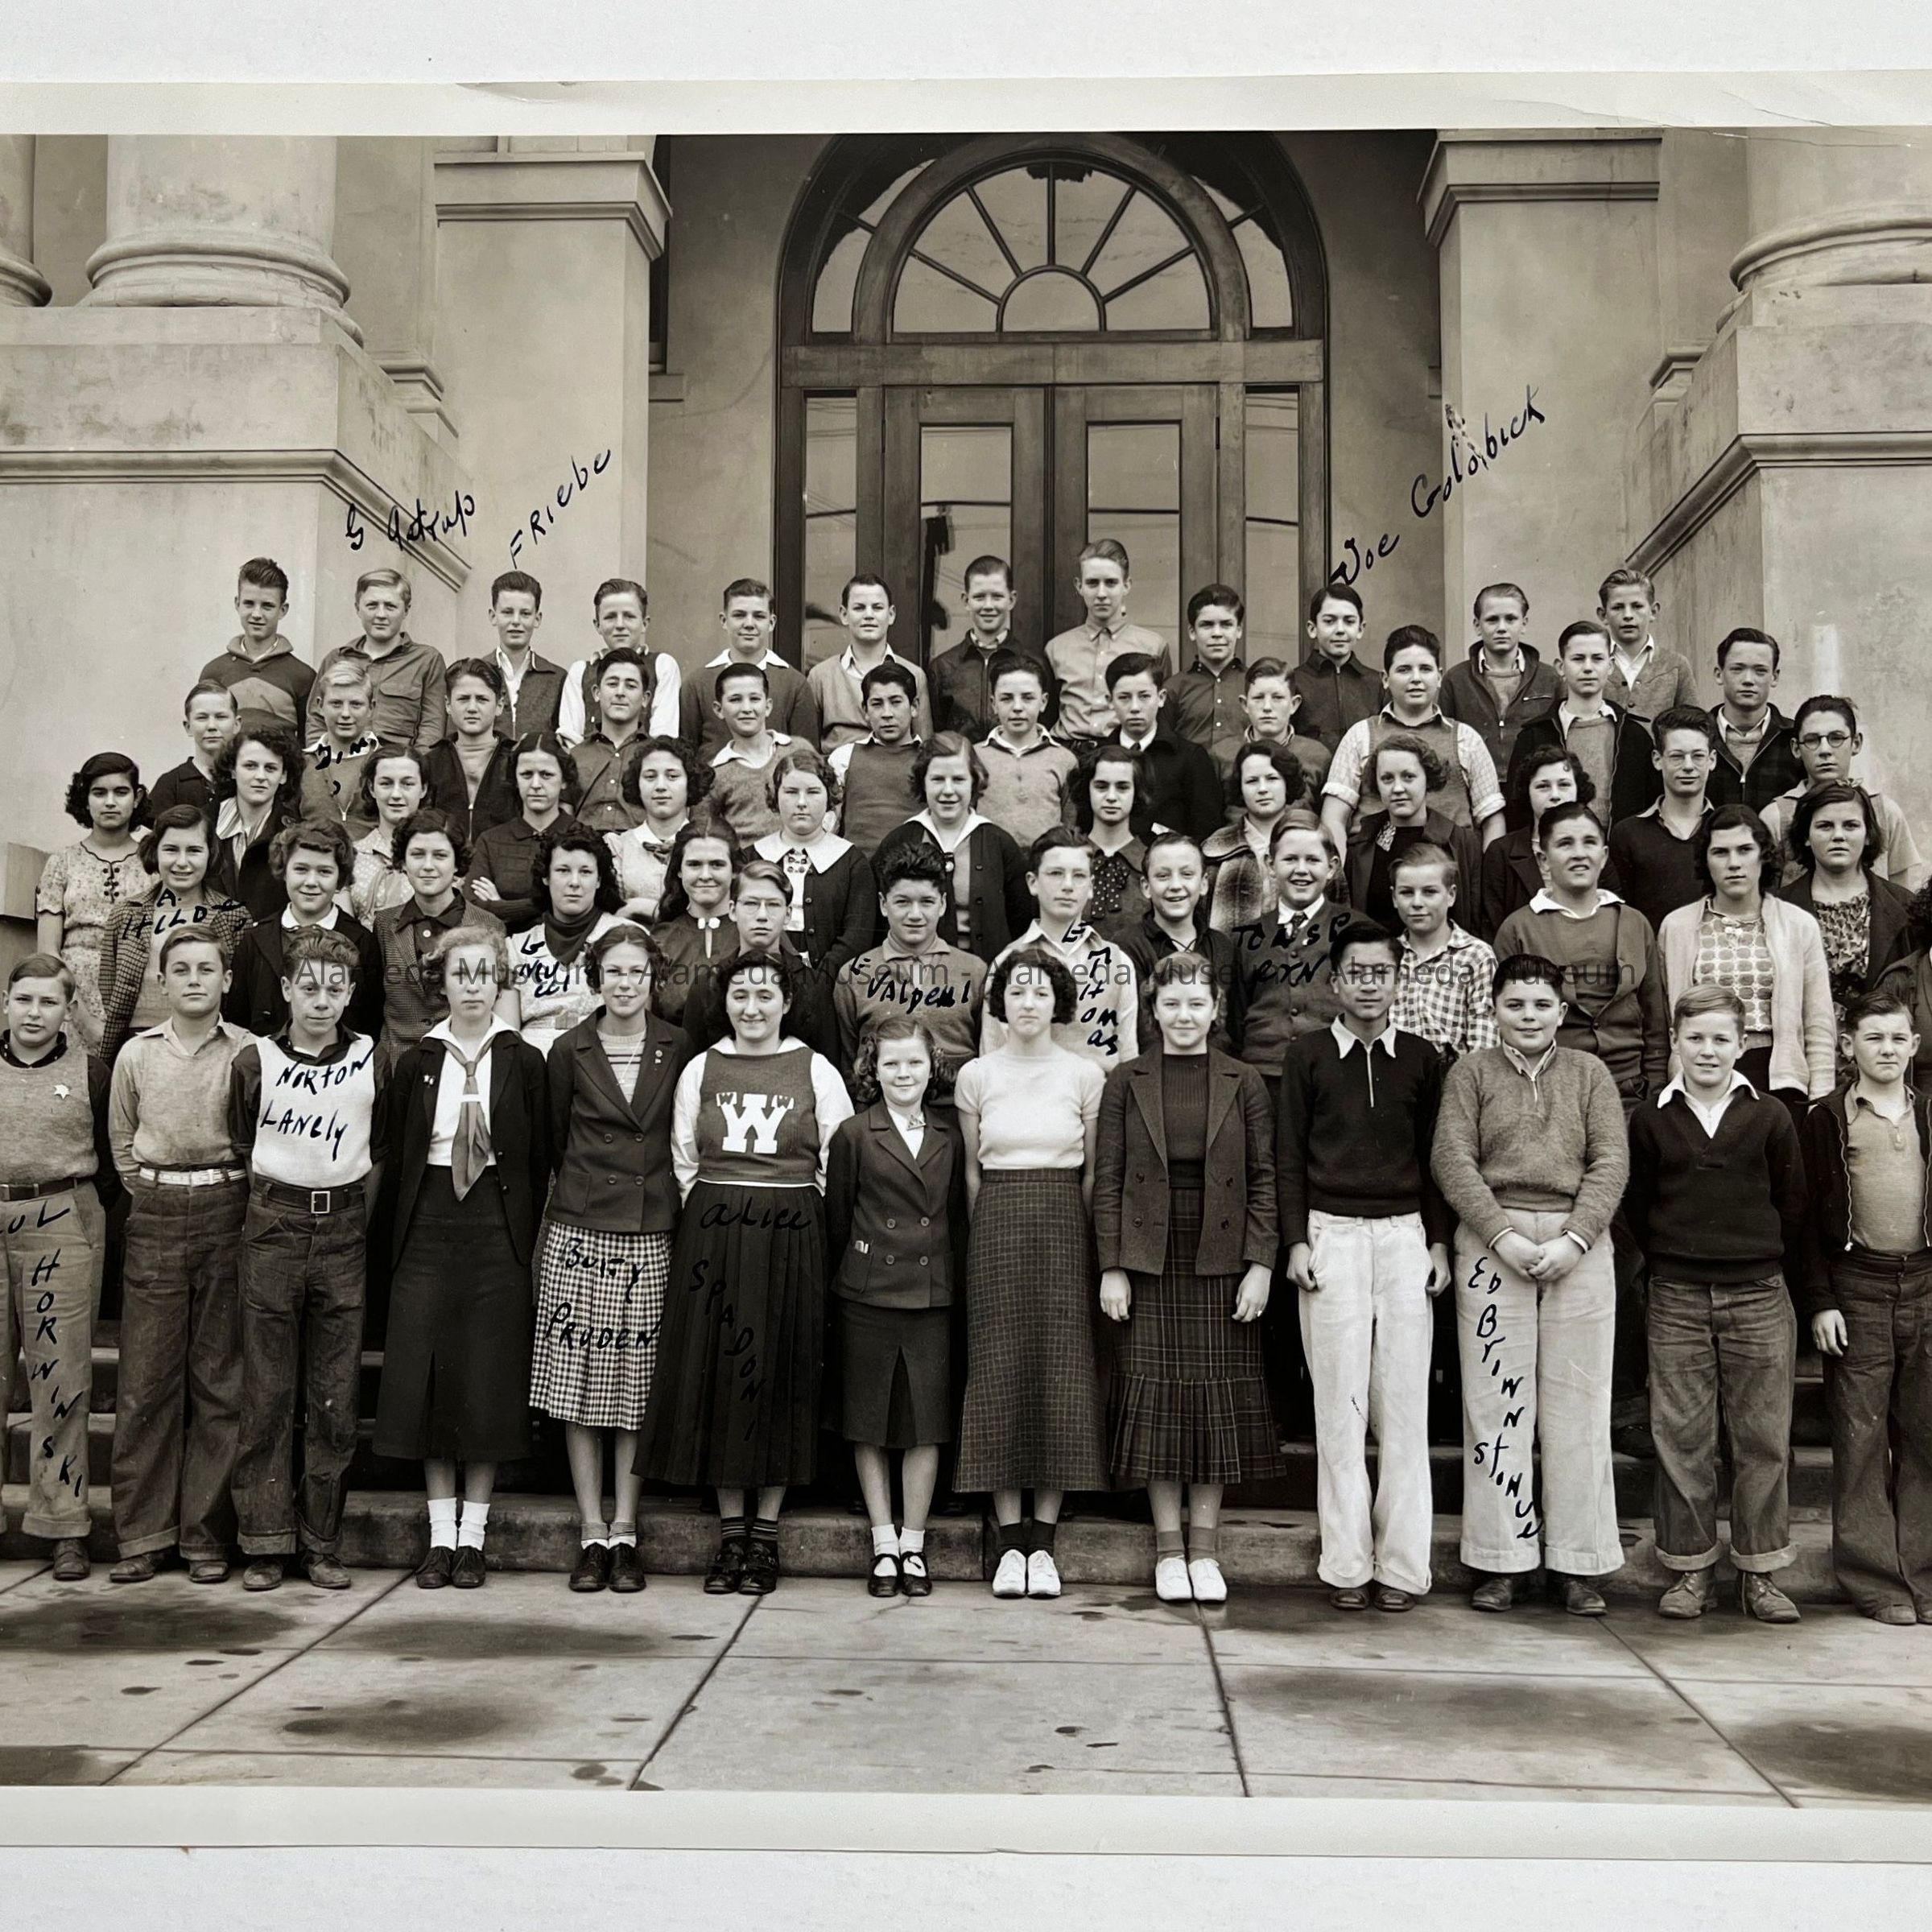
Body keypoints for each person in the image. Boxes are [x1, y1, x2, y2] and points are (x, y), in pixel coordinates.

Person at [638, 949, 854, 1596]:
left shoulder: (815, 1069)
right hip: (716, 1230)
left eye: (765, 995)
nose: (752, 1007)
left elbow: (838, 1159)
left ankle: (765, 1537)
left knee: (781, 1371)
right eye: (740, 995)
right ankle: (731, 1535)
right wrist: (716, 1215)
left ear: (786, 1003)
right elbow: (684, 1156)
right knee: (724, 1373)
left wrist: (801, 1220)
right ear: (725, 1003)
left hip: (791, 1231)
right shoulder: (701, 1067)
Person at [1431, 952, 1631, 1614]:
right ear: (1494, 1010)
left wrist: (1576, 1238)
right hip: (1496, 1243)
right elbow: (1452, 1159)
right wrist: (1501, 1235)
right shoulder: (1471, 1073)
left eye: (1542, 1005)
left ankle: (1577, 1564)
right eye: (1515, 1004)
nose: (1529, 1016)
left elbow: (1610, 1160)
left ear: (1562, 1012)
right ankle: (1501, 1560)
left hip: (1578, 1244)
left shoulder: (1589, 1073)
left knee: (1579, 1406)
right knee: (1497, 1404)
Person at [1097, 952, 1282, 1604]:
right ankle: (1168, 1550)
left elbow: (1264, 1178)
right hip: (1150, 1253)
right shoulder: (1126, 1080)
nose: (1184, 1015)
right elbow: (1108, 1179)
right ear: (1153, 1009)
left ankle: (1205, 1549)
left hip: (1220, 1253)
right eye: (1171, 1003)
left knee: (1213, 1402)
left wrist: (1261, 1264)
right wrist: (1112, 1266)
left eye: (1196, 1003)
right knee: (1158, 1401)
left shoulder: (1244, 1080)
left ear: (1215, 1009)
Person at [1279, 920, 1451, 1612]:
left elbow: (1437, 1161)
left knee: (1405, 1410)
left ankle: (1403, 1569)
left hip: (1405, 1236)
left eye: (1382, 972)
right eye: (1357, 973)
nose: (1370, 984)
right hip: (1332, 1235)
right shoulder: (1308, 1056)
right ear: (1336, 982)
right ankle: (1347, 1565)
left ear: (1397, 980)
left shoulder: (1423, 1058)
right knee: (1339, 1409)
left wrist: (1437, 1244)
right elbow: (1288, 1157)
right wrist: (1296, 1241)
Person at [374, 927, 552, 1587]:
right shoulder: (417, 1060)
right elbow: (398, 1155)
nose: (473, 986)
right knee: (428, 1373)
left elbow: (539, 1155)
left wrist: (523, 1237)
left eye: (484, 973)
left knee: (486, 1376)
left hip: (494, 1223)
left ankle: (473, 1536)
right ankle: (439, 1535)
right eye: (460, 973)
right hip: (429, 1220)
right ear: (441, 983)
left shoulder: (523, 1060)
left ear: (499, 980)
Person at [1625, 984, 1807, 1623]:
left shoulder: (1770, 1116)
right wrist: (1671, 1261)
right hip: (1676, 1295)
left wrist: (1756, 1258)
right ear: (1675, 1041)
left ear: (1743, 1044)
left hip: (1757, 1293)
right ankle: (1691, 1570)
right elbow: (1637, 1205)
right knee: (1682, 1438)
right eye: (1696, 1038)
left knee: (1763, 1438)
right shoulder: (1651, 1117)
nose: (1708, 1050)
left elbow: (1792, 1204)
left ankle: (1760, 1574)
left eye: (1721, 1039)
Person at [536, 923, 691, 1596]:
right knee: (576, 1385)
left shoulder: (677, 1046)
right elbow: (554, 1140)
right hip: (580, 1228)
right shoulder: (568, 1049)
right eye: (614, 972)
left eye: (636, 972)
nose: (625, 983)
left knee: (634, 1387)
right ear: (595, 978)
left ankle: (626, 1530)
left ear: (653, 978)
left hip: (649, 1227)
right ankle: (591, 1531)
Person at [227, 926, 384, 1592]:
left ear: (350, 994)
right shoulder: (255, 1060)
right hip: (274, 1223)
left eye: (335, 989)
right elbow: (243, 1143)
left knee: (334, 1392)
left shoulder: (372, 1057)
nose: (322, 1001)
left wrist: (349, 1216)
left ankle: (321, 1541)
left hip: (343, 1224)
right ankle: (265, 1540)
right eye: (309, 987)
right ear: (288, 989)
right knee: (267, 1388)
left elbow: (380, 1150)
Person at [955, 947, 1108, 1598]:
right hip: (997, 1218)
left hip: (1063, 1219)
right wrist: (983, 1231)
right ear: (1000, 1001)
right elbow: (970, 1173)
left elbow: (1094, 1171)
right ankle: (1008, 1538)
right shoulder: (976, 1075)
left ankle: (1043, 1542)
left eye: (1041, 992)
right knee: (999, 1369)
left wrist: (1081, 1236)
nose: (1027, 1002)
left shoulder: (1085, 1074)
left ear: (1058, 1003)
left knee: (1060, 1370)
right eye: (1016, 990)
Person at [104, 928, 251, 1585]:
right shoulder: (136, 1054)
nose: (195, 979)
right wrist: (156, 1188)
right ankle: (143, 1534)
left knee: (220, 1377)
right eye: (182, 969)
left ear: (227, 980)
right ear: (161, 982)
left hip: (227, 1205)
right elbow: (122, 1139)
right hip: (157, 1210)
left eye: (207, 969)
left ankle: (205, 1537)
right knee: (147, 1378)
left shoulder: (247, 1051)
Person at [825, 1017, 966, 1599]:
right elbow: (838, 1218)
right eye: (891, 1063)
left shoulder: (951, 1135)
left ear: (932, 1068)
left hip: (930, 1293)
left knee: (925, 1425)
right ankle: (883, 1542)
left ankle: (914, 1544)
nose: (903, 1073)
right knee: (869, 1422)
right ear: (872, 1071)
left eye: (914, 1062)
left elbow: (956, 1216)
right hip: (870, 1294)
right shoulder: (854, 1135)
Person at [1804, 987, 1932, 1624]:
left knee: (1926, 1433)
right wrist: (1822, 1300)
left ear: (1915, 1045)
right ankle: (1875, 1580)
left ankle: (1924, 1575)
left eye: (1897, 1038)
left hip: (1926, 1283)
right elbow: (1805, 1219)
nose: (1886, 1049)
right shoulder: (1827, 1118)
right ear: (1848, 1046)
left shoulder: (1930, 1113)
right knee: (1860, 1437)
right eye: (1873, 1038)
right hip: (1859, 1285)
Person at [0, 956, 116, 1581]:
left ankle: (64, 1524)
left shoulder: (91, 1071)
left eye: (49, 1002)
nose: (34, 1013)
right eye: (25, 999)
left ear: (68, 1009)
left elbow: (113, 1164)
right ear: (7, 1001)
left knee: (60, 1378)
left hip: (61, 1216)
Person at [1658, 804, 1835, 1111]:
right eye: (1720, 852)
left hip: (1776, 1078)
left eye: (1744, 850)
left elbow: (1818, 1023)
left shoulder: (1798, 925)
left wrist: (1820, 1103)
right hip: (1701, 1075)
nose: (1734, 863)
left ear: (1763, 855)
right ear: (1705, 860)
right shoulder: (1676, 927)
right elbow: (1666, 1019)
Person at [1495, 802, 1670, 1105]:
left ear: (1603, 856)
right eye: (1565, 844)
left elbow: (1655, 1019)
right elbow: (1506, 1025)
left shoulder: (1634, 924)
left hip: (1630, 1094)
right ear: (1543, 859)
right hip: (1549, 1094)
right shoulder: (1518, 929)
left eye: (1589, 842)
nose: (1579, 853)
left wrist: (1654, 1095)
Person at [1321, 625, 1505, 850]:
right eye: (1404, 670)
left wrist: (1485, 871)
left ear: (1439, 676)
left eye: (1425, 669)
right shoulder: (1360, 736)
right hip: (1375, 864)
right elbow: (1333, 818)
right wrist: (1342, 870)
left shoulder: (1466, 739)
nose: (1416, 678)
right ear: (1385, 679)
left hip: (1452, 864)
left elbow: (1493, 820)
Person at [832, 844, 989, 1104]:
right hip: (881, 1118)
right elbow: (850, 1066)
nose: (915, 915)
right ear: (883, 904)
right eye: (902, 902)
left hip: (956, 1116)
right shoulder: (854, 975)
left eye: (927, 902)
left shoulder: (974, 971)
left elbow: (987, 1060)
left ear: (942, 904)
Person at [97, 805, 249, 1063]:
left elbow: (237, 995)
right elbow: (109, 983)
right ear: (155, 852)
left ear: (210, 854)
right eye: (171, 850)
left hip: (207, 1047)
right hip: (135, 1045)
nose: (182, 862)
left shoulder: (233, 917)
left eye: (194, 851)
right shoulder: (126, 913)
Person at [981, 830, 1139, 1070]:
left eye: (1079, 876)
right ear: (1033, 883)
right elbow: (991, 1062)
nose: (1067, 886)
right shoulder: (1006, 963)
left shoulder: (1118, 963)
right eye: (1056, 873)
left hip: (1103, 1091)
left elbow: (1128, 1058)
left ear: (1091, 887)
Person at [873, 733, 1035, 964]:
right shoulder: (899, 840)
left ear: (974, 782)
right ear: (923, 782)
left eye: (958, 779)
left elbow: (1022, 921)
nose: (948, 790)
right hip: (913, 977)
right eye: (938, 779)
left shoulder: (1000, 844)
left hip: (987, 975)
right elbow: (877, 921)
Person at [225, 819, 385, 1046]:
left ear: (340, 878)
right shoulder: (255, 939)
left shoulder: (361, 942)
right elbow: (236, 1020)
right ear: (284, 871)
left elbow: (370, 1022)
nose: (311, 882)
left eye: (324, 872)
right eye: (301, 869)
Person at [1778, 782, 1914, 1039]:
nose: (1838, 835)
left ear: (1868, 835)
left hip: (1883, 1051)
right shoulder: (1777, 910)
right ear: (1806, 836)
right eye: (1825, 826)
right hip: (1803, 1049)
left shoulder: (1905, 907)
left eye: (1851, 825)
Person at [371, 810, 509, 1064]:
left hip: (465, 1062)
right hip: (397, 1064)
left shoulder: (490, 926)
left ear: (457, 863)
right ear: (403, 862)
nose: (428, 866)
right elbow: (374, 1000)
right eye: (417, 854)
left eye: (440, 855)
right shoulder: (384, 924)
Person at [1228, 810, 1353, 1088]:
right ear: (1271, 865)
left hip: (1333, 1079)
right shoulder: (1245, 938)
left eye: (1313, 860)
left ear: (1331, 867)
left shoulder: (1356, 932)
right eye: (1290, 859)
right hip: (1261, 1079)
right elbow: (1235, 1020)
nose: (1301, 870)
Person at [1504, 619, 1663, 833]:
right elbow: (1517, 809)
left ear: (1610, 666)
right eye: (1578, 659)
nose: (1588, 668)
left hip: (1622, 850)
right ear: (1561, 667)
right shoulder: (1535, 736)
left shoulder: (1634, 735)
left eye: (1597, 658)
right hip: (1552, 847)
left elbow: (1651, 805)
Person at [39, 751, 151, 1052]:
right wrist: (82, 1016)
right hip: (73, 999)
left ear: (137, 798)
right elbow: (48, 952)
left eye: (121, 792)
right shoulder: (62, 862)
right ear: (85, 799)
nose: (110, 802)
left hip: (138, 1000)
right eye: (99, 793)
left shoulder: (153, 863)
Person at [1761, 694, 1928, 891]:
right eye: (1812, 740)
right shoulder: (1776, 817)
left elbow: (1901, 895)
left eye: (1836, 738)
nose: (1825, 750)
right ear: (1796, 748)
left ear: (1856, 743)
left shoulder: (1885, 812)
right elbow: (1763, 897)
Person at [680, 857, 840, 1061]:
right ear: (732, 910)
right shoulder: (708, 984)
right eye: (751, 903)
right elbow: (692, 1063)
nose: (762, 915)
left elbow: (828, 1064)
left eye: (773, 905)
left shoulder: (813, 986)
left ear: (788, 914)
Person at [751, 744, 877, 976]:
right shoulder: (753, 858)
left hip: (832, 982)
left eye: (813, 792)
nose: (801, 802)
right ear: (775, 796)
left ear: (829, 796)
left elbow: (857, 936)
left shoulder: (852, 863)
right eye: (791, 792)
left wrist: (821, 980)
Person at [1344, 733, 1484, 931]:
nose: (1397, 788)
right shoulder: (1362, 846)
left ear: (1428, 779)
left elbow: (1476, 919)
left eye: (1408, 777)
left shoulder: (1460, 842)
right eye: (1387, 778)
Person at [1116, 832, 1241, 1055]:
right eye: (1163, 876)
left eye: (1187, 874)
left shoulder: (1222, 946)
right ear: (1146, 886)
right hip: (1152, 1067)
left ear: (1204, 883)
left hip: (1216, 1067)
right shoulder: (1126, 947)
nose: (1175, 885)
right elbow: (1140, 1030)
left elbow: (1230, 1028)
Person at [506, 824, 624, 1057]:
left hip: (604, 1057)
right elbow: (508, 1035)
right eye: (563, 870)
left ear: (599, 880)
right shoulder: (516, 947)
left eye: (586, 872)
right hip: (533, 1062)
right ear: (546, 877)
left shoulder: (625, 938)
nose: (574, 882)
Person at [1045, 539, 1174, 747]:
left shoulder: (1153, 646)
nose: (1101, 594)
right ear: (1079, 586)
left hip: (1123, 753)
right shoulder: (1056, 648)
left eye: (1111, 583)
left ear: (1126, 585)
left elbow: (1161, 714)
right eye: (1092, 583)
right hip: (1067, 751)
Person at [676, 576, 821, 762]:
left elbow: (806, 758)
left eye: (759, 616)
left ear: (771, 622)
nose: (749, 624)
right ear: (724, 620)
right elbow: (686, 757)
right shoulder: (697, 684)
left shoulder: (795, 684)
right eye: (739, 615)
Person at [1608, 706, 1719, 934]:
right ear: (1658, 760)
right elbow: (1620, 916)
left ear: (1712, 760)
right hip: (1652, 954)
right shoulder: (1628, 834)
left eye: (1698, 756)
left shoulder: (1729, 830)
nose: (1688, 766)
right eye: (1677, 756)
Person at [317, 566, 448, 754]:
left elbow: (432, 728)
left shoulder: (427, 661)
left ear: (406, 610)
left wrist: (414, 765)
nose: (381, 615)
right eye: (372, 606)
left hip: (398, 764)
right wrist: (324, 761)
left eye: (390, 606)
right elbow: (316, 720)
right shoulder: (336, 659)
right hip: (341, 761)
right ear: (358, 608)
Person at [464, 731, 585, 933]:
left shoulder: (583, 837)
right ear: (515, 779)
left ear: (564, 780)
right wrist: (545, 903)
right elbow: (474, 908)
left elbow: (584, 907)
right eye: (527, 775)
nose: (536, 785)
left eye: (546, 775)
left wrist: (501, 906)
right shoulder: (491, 841)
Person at [1440, 581, 1563, 779]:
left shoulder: (1549, 678)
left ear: (1524, 624)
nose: (1502, 628)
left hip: (1533, 786)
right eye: (1492, 620)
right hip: (1475, 785)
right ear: (1477, 626)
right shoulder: (1456, 679)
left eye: (1511, 619)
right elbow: (1445, 742)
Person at [1480, 745, 1603, 940]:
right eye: (1543, 786)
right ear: (1527, 793)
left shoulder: (1594, 847)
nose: (1555, 795)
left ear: (1578, 791)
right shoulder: (1501, 852)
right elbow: (1492, 929)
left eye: (1564, 785)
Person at [1389, 842, 1499, 1059]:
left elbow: (1484, 1041)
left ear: (1451, 895)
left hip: (1455, 1073)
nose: (1417, 903)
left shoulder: (1476, 956)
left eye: (1429, 892)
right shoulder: (1385, 957)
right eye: (1407, 893)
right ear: (1394, 898)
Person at [928, 552, 1056, 738]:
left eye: (997, 596)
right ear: (966, 601)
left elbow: (1046, 725)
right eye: (979, 597)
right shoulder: (942, 667)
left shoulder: (1035, 664)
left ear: (1011, 600)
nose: (988, 606)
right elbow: (936, 733)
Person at [1103, 652, 1224, 842]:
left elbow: (1207, 832)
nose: (1135, 707)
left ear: (1161, 698)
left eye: (1144, 696)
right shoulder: (1097, 758)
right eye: (1124, 697)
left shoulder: (1189, 758)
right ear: (1110, 702)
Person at [808, 572, 935, 752]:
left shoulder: (915, 675)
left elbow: (925, 748)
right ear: (844, 615)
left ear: (891, 615)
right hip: (837, 768)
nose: (869, 615)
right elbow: (810, 754)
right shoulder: (821, 676)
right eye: (859, 608)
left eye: (877, 608)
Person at [555, 576, 683, 750]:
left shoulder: (662, 666)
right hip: (589, 766)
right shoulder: (581, 672)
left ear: (644, 623)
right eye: (610, 617)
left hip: (645, 764)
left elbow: (664, 735)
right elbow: (571, 739)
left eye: (629, 616)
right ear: (597, 625)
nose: (620, 625)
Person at [196, 556, 314, 739]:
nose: (257, 614)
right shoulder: (214, 672)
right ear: (237, 604)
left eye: (267, 606)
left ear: (283, 610)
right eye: (249, 604)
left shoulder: (303, 677)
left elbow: (308, 743)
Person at [976, 652, 1080, 848]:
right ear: (993, 704)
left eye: (1028, 698)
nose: (1017, 707)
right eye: (1006, 698)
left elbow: (1070, 825)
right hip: (990, 860)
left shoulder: (1064, 760)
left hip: (1046, 861)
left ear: (1043, 702)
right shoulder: (975, 757)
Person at [1203, 741, 1306, 934]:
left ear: (1287, 783)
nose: (1262, 789)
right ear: (1240, 788)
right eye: (1252, 781)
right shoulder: (1216, 849)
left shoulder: (1313, 843)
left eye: (1272, 778)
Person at [826, 660, 924, 854]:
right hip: (858, 867)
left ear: (914, 706)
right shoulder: (844, 758)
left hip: (915, 866)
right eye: (877, 704)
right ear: (865, 711)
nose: (887, 714)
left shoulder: (932, 760)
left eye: (896, 702)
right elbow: (828, 826)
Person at [650, 823, 741, 1029]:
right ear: (679, 871)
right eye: (694, 864)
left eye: (717, 864)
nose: (705, 875)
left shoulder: (758, 933)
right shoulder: (661, 940)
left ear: (734, 870)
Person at [210, 727, 306, 921]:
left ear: (283, 776)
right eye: (250, 766)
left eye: (270, 768)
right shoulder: (203, 824)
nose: (260, 776)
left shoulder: (298, 835)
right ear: (233, 770)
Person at [423, 658, 519, 848]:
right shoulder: (431, 762)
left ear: (499, 705)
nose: (472, 708)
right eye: (463, 699)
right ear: (448, 705)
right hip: (445, 861)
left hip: (503, 862)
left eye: (482, 699)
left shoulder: (516, 760)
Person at [1705, 626, 1802, 814]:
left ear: (1774, 677)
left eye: (1760, 670)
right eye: (1737, 669)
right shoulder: (1699, 737)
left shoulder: (1795, 738)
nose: (1748, 680)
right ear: (1719, 674)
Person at [608, 734, 700, 924]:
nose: (660, 786)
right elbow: (613, 916)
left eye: (672, 776)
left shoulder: (707, 845)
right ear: (637, 784)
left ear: (689, 782)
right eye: (650, 777)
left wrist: (637, 907)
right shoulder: (617, 847)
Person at [702, 663, 795, 845]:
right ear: (719, 709)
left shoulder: (796, 751)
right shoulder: (714, 774)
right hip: (745, 860)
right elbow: (704, 833)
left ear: (768, 706)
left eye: (754, 699)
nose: (746, 708)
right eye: (735, 700)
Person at [1165, 583, 1251, 778]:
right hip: (1189, 786)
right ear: (1192, 632)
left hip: (1244, 785)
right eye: (1207, 625)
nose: (1217, 633)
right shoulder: (1174, 688)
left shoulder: (1254, 686)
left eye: (1226, 624)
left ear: (1239, 630)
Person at [569, 646, 654, 836]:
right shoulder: (575, 755)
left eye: (631, 686)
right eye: (612, 684)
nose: (620, 692)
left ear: (645, 698)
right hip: (583, 847)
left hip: (639, 847)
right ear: (596, 693)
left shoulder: (657, 756)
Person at [1596, 565, 1698, 723]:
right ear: (1603, 615)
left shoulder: (1676, 666)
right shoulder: (1590, 665)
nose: (1628, 615)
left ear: (1653, 611)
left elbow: (1694, 725)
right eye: (1618, 607)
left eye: (1637, 606)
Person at [1289, 582, 1380, 751]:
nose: (1340, 630)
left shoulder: (1377, 684)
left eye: (1349, 621)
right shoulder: (1294, 682)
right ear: (1312, 629)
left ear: (1360, 629)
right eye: (1329, 621)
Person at [1073, 744, 1152, 935]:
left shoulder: (1150, 863)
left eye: (1122, 787)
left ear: (1136, 793)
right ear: (1087, 790)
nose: (1111, 797)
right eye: (1101, 787)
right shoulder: (1068, 856)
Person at [346, 748, 430, 926]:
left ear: (423, 789)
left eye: (407, 784)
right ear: (372, 788)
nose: (396, 795)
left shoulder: (440, 856)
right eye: (386, 784)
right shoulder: (352, 857)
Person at [486, 568, 570, 741]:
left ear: (537, 619)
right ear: (493, 616)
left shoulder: (557, 678)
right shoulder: (475, 674)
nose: (516, 621)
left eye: (525, 614)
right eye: (507, 612)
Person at [299, 662, 383, 832]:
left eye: (356, 704)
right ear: (320, 706)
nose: (345, 714)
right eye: (336, 704)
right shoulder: (302, 764)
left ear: (371, 708)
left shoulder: (387, 762)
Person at [1237, 655, 1331, 798]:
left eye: (1278, 698)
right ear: (1245, 704)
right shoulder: (1222, 755)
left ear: (1294, 704)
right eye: (1258, 698)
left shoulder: (1318, 756)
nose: (1267, 707)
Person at [148, 681, 239, 822]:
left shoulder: (248, 779)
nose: (212, 726)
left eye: (221, 717)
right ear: (188, 727)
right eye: (202, 718)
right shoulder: (170, 785)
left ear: (236, 724)